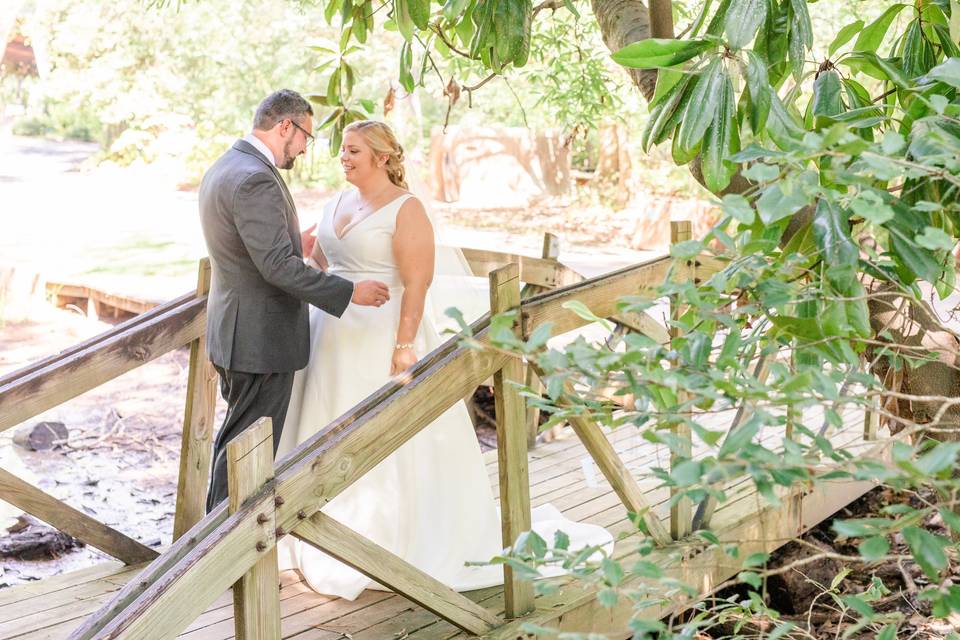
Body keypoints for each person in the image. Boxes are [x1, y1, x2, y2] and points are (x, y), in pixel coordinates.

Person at [275, 119, 613, 599]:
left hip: (382, 334)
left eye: (352, 150)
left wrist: (403, 345)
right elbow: (327, 267)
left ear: (382, 157)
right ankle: (316, 536)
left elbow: (417, 282)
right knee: (322, 430)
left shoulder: (405, 209)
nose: (343, 157)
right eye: (342, 151)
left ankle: (386, 538)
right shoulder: (336, 202)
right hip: (331, 336)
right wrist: (312, 262)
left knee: (387, 440)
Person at [198, 90, 391, 512]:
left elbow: (253, 251)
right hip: (259, 340)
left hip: (237, 334)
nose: (305, 148)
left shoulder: (226, 167)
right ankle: (220, 559)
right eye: (306, 135)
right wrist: (348, 290)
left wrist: (293, 241)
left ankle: (207, 549)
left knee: (236, 445)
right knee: (248, 457)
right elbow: (277, 268)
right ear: (285, 126)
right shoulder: (255, 177)